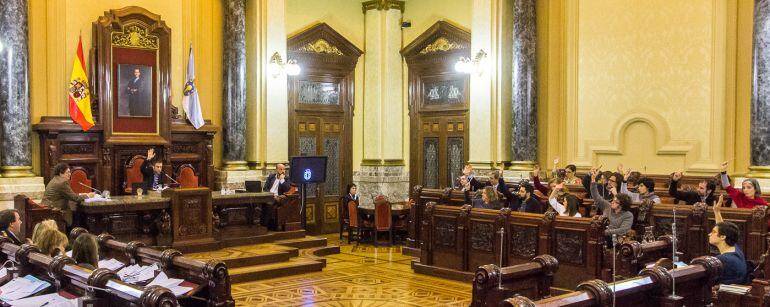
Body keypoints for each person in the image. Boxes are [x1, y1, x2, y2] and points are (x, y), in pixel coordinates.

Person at [711, 194, 749, 285]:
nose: (709, 234)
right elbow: (723, 228)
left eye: (713, 232)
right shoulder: (735, 249)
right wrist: (717, 212)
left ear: (723, 237)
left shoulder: (722, 260)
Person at [589, 167, 634, 242]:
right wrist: (593, 181)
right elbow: (596, 197)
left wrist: (604, 232)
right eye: (613, 200)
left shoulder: (628, 215)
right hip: (599, 236)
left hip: (614, 239)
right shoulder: (608, 206)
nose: (612, 202)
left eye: (616, 201)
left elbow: (623, 230)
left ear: (622, 204)